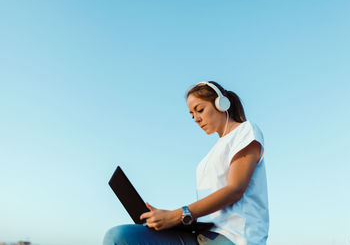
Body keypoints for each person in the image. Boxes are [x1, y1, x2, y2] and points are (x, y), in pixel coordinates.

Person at [103, 81, 269, 245]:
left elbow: (235, 189)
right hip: (200, 235)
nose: (196, 119)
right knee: (118, 236)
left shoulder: (245, 131)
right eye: (192, 115)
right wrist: (169, 218)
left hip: (235, 237)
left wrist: (176, 215)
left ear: (221, 103)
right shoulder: (209, 157)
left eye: (200, 110)